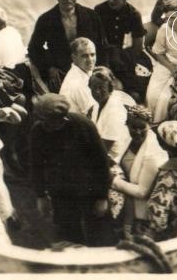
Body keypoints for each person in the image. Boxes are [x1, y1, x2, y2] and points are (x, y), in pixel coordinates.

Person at [30, 94, 114, 246]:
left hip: (89, 189)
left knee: (99, 234)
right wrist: (40, 196)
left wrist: (102, 197)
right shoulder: (38, 131)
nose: (50, 126)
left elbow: (101, 162)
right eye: (45, 122)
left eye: (55, 122)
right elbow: (36, 165)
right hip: (61, 192)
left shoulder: (83, 126)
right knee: (68, 234)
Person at [27, 0, 106, 92]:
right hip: (61, 71)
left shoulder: (91, 16)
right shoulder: (46, 19)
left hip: (89, 68)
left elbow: (102, 45)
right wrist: (49, 68)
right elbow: (34, 48)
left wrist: (102, 69)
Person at [109, 105, 168, 237]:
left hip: (142, 213)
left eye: (142, 127)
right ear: (127, 125)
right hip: (126, 200)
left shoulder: (152, 153)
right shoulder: (127, 139)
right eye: (133, 127)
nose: (138, 132)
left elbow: (142, 192)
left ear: (150, 126)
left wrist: (114, 180)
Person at [94, 0, 146, 101]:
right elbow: (96, 40)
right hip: (104, 56)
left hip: (125, 59)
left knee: (135, 95)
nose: (110, 0)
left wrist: (127, 66)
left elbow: (137, 47)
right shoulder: (99, 10)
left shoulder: (133, 14)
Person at [146, 1, 177, 123]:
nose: (171, 22)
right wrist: (171, 68)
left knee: (165, 99)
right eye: (167, 19)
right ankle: (150, 124)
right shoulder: (164, 29)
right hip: (166, 62)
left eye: (174, 18)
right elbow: (158, 52)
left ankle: (162, 125)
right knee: (152, 95)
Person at [88, 66, 135, 160]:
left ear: (110, 88)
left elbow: (102, 151)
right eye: (94, 88)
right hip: (101, 150)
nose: (97, 92)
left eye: (101, 88)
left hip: (113, 158)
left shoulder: (115, 111)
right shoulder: (98, 104)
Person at [59, 37, 99, 118]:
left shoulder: (84, 71)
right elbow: (93, 114)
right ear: (74, 58)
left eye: (92, 54)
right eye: (85, 56)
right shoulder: (77, 83)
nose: (90, 59)